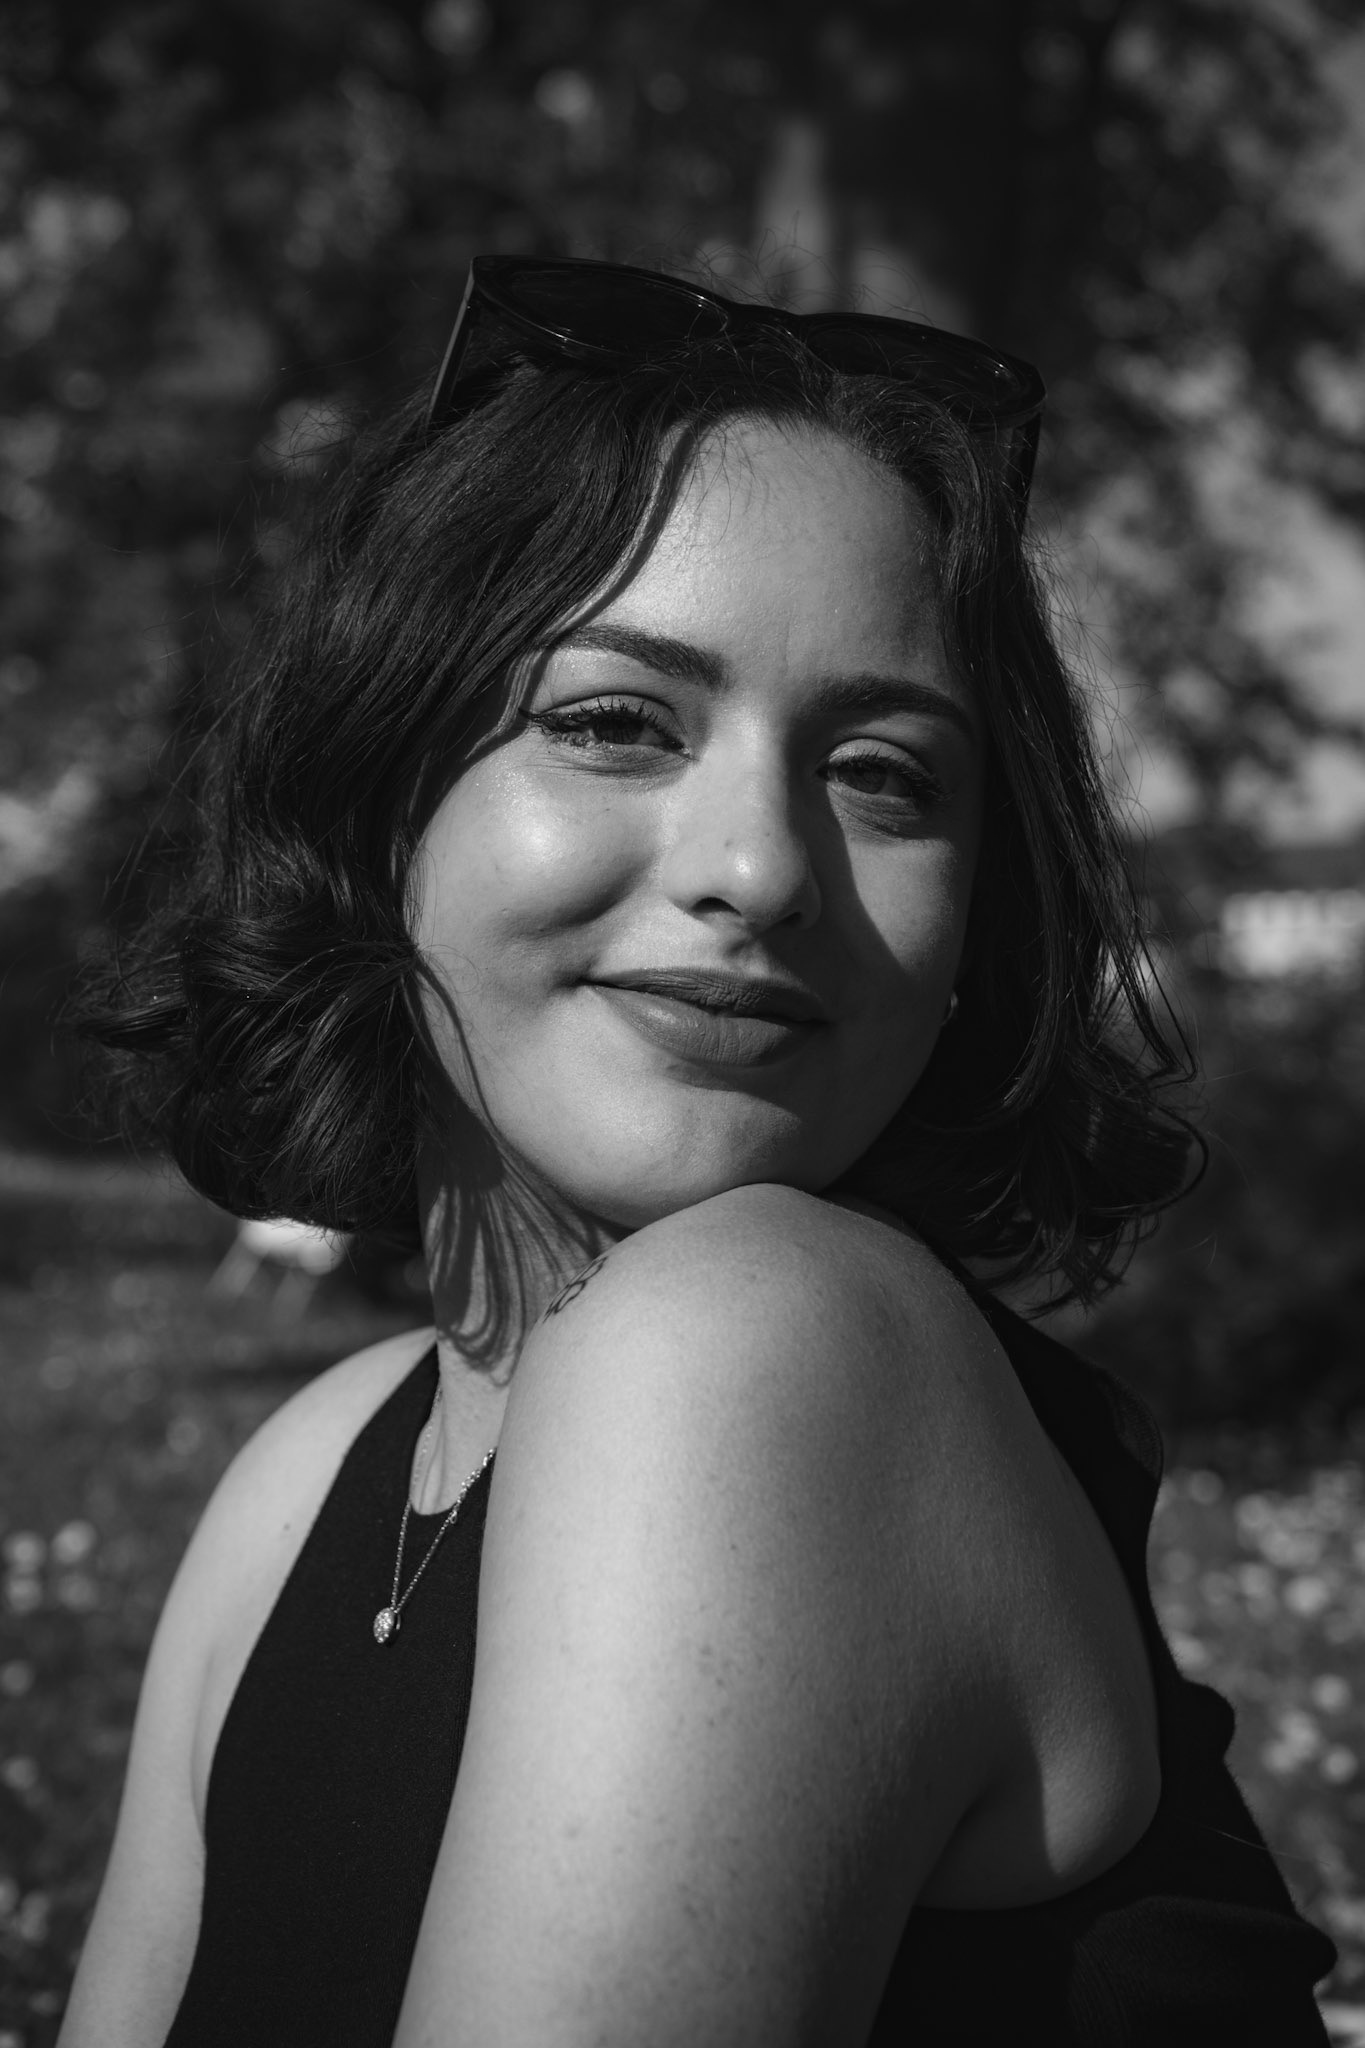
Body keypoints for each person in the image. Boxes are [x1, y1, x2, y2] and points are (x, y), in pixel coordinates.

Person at [61, 256, 1336, 2047]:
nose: (760, 866)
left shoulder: (751, 1342)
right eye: (613, 723)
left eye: (883, 774)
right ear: (379, 799)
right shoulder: (306, 1479)